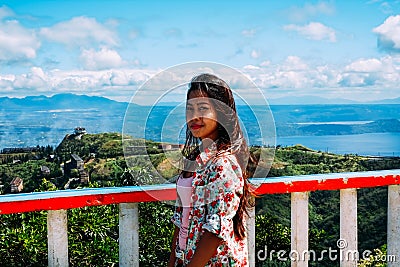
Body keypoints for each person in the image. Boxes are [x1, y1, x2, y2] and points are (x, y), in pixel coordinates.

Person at [168, 73, 254, 266]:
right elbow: (180, 218)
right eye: (190, 109)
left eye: (203, 108)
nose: (194, 116)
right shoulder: (197, 160)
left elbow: (216, 230)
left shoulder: (222, 164)